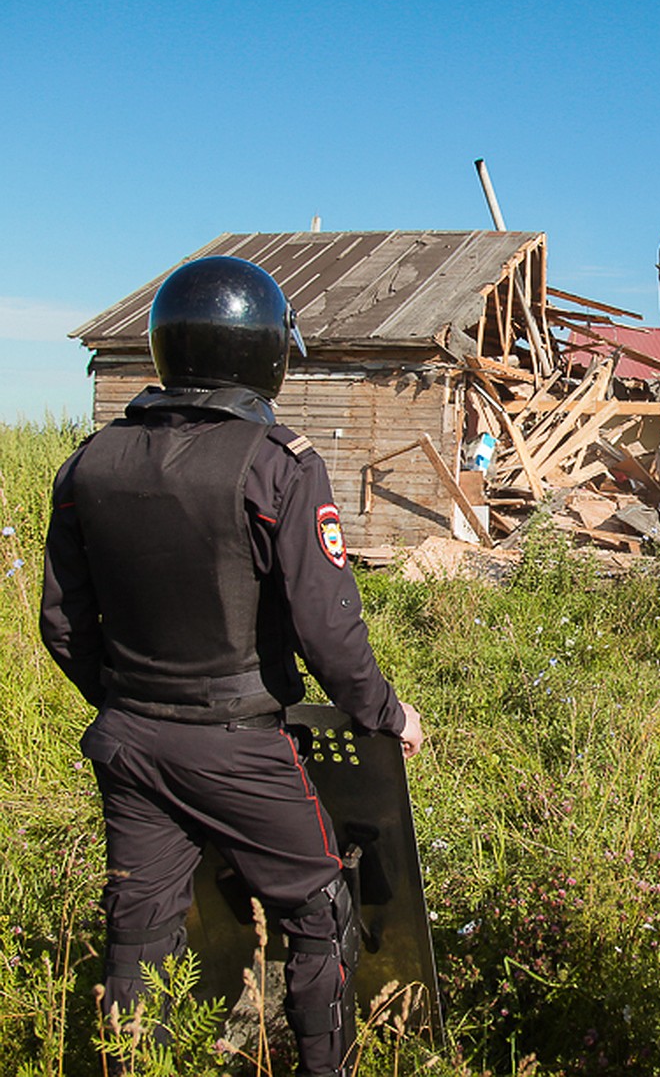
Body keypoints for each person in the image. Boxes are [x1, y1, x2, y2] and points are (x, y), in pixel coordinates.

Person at [40, 256, 422, 1077]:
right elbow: (328, 629)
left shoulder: (90, 461)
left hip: (128, 741)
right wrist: (387, 712)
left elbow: (64, 623)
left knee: (138, 924)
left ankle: (128, 1063)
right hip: (240, 743)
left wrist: (129, 700)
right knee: (321, 908)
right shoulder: (277, 462)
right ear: (262, 352)